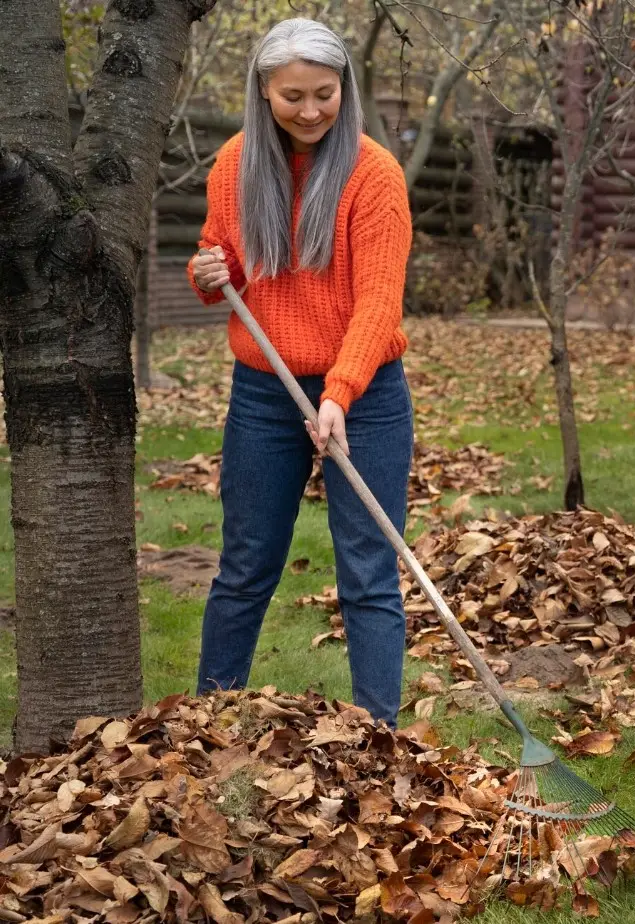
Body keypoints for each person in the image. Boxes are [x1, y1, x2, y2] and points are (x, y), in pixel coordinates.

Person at [187, 18, 414, 725]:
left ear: (345, 87)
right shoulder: (234, 164)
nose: (311, 111)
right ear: (263, 92)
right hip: (263, 392)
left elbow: (379, 301)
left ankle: (380, 736)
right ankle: (205, 722)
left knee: (369, 574)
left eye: (325, 93)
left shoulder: (373, 174)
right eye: (293, 96)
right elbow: (217, 260)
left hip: (366, 394)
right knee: (246, 565)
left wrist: (341, 391)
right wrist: (205, 272)